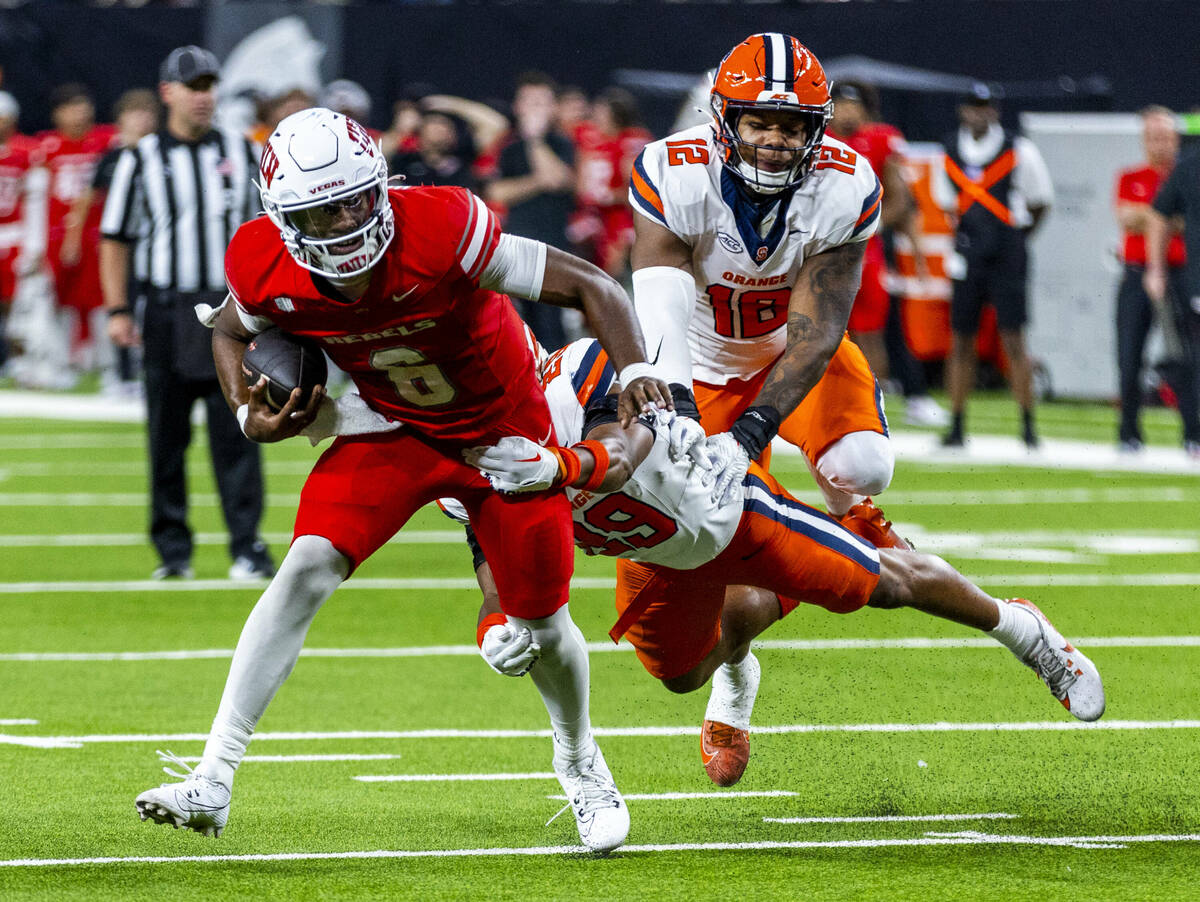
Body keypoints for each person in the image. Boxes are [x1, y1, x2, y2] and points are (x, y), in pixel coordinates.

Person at [133, 107, 673, 852]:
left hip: (502, 440)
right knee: (304, 570)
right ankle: (213, 776)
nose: (347, 220)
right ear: (283, 216)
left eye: (356, 198)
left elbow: (590, 286)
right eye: (322, 210)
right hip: (389, 429)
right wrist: (242, 413)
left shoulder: (443, 226)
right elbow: (229, 329)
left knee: (543, 624)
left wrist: (639, 369)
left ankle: (581, 760)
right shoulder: (263, 260)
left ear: (379, 186)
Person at [461, 337, 1105, 788]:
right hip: (653, 555)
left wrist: (557, 468)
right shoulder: (462, 453)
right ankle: (738, 668)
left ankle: (1024, 630)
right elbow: (492, 562)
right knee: (681, 676)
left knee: (887, 582)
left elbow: (622, 448)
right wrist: (495, 628)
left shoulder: (579, 373)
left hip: (727, 511)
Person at [627, 33, 907, 550]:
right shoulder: (675, 171)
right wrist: (681, 403)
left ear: (815, 128)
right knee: (682, 511)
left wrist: (753, 431)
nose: (774, 141)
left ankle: (850, 514)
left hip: (787, 349)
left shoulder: (845, 185)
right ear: (725, 121)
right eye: (758, 123)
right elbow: (660, 303)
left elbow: (819, 330)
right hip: (699, 358)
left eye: (792, 127)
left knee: (863, 466)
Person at [99, 46, 273, 581]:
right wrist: (118, 308)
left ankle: (247, 546)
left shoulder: (243, 153)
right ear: (168, 91)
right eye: (194, 87)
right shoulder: (139, 159)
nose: (205, 97)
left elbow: (268, 232)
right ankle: (173, 552)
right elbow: (116, 239)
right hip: (168, 310)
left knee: (239, 431)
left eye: (210, 85)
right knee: (166, 438)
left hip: (229, 312)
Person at [933, 84, 1054, 449]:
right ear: (962, 111)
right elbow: (945, 202)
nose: (978, 114)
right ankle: (956, 424)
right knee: (961, 339)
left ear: (994, 112)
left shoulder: (1018, 150)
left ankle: (1028, 425)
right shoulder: (950, 150)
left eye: (985, 108)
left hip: (1007, 252)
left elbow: (1040, 202)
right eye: (972, 107)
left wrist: (1015, 239)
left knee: (1013, 337)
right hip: (969, 252)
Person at [826, 81, 947, 429]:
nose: (848, 111)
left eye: (853, 104)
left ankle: (870, 406)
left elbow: (902, 201)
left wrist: (869, 226)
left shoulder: (879, 140)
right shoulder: (815, 140)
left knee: (871, 330)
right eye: (840, 104)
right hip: (820, 248)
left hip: (865, 251)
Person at [64, 88, 159, 395]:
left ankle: (149, 367)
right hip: (120, 245)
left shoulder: (162, 155)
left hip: (155, 246)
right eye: (135, 113)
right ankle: (122, 371)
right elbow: (87, 200)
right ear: (120, 120)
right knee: (119, 304)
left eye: (147, 113)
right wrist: (73, 239)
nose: (142, 120)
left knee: (153, 306)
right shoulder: (112, 158)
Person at [485, 72, 576, 350]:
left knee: (550, 322)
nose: (535, 109)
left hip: (553, 246)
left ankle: (555, 381)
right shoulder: (508, 147)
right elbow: (497, 192)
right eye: (529, 102)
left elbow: (560, 180)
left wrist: (535, 141)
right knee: (511, 321)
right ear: (518, 107)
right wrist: (538, 181)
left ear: (553, 108)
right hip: (515, 243)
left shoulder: (563, 143)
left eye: (541, 102)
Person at [37, 83, 118, 370]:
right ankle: (61, 357)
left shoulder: (105, 140)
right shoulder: (46, 146)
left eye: (83, 106)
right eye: (72, 107)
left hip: (98, 232)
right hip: (58, 234)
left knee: (100, 296)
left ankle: (103, 359)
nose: (80, 113)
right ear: (58, 114)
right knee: (60, 297)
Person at [1143, 112, 1200, 461]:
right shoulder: (1191, 167)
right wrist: (1155, 269)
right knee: (1192, 361)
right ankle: (1193, 434)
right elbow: (1158, 213)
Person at [569, 87, 652, 279]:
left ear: (616, 116)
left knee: (619, 240)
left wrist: (611, 195)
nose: (595, 118)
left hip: (622, 214)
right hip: (589, 211)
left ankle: (609, 288)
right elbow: (579, 179)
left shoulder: (632, 140)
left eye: (601, 113)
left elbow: (638, 188)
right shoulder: (588, 136)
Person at [0, 91, 45, 373]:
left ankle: (18, 360)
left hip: (15, 233)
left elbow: (36, 202)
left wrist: (33, 243)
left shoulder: (27, 151)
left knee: (16, 305)